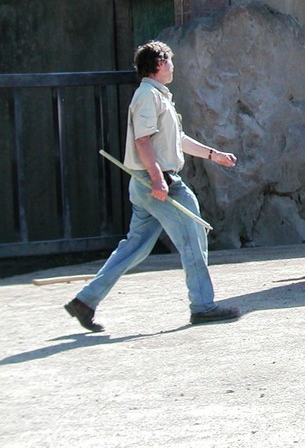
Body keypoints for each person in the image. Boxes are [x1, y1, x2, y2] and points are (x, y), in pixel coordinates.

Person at [65, 40, 241, 331]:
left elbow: (177, 140)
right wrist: (158, 179)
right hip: (158, 183)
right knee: (193, 237)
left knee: (134, 247)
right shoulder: (148, 96)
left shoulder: (159, 96)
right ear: (159, 64)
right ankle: (202, 305)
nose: (173, 66)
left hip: (149, 183)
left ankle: (85, 301)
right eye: (170, 61)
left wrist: (214, 155)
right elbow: (142, 140)